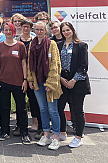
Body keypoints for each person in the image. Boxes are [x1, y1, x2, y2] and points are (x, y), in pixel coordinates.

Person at [27, 21, 62, 150]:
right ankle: (46, 135)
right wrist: (30, 79)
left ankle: (56, 137)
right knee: (43, 109)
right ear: (34, 30)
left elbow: (55, 64)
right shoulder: (32, 44)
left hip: (49, 82)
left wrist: (51, 83)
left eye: (42, 29)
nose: (39, 32)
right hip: (37, 81)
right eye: (37, 29)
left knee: (53, 110)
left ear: (46, 30)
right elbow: (29, 63)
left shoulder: (51, 44)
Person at [0, 22, 31, 144]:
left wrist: (25, 80)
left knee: (21, 108)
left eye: (10, 29)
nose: (8, 32)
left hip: (18, 82)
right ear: (3, 31)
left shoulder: (20, 46)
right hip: (3, 81)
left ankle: (24, 132)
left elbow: (24, 63)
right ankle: (5, 131)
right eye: (5, 30)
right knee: (4, 108)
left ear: (13, 30)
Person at [57, 22, 91, 148]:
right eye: (64, 30)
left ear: (72, 30)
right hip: (63, 82)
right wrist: (60, 78)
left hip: (78, 82)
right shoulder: (58, 45)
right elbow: (56, 64)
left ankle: (78, 137)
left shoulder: (81, 45)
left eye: (68, 30)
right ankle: (63, 132)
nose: (66, 32)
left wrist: (73, 80)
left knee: (77, 110)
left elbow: (84, 66)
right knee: (59, 107)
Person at [15, 19, 42, 140]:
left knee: (34, 100)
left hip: (32, 76)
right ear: (20, 27)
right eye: (24, 26)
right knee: (19, 102)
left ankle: (36, 123)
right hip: (18, 75)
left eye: (28, 26)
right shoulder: (16, 40)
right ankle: (19, 125)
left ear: (31, 28)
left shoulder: (35, 40)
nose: (26, 29)